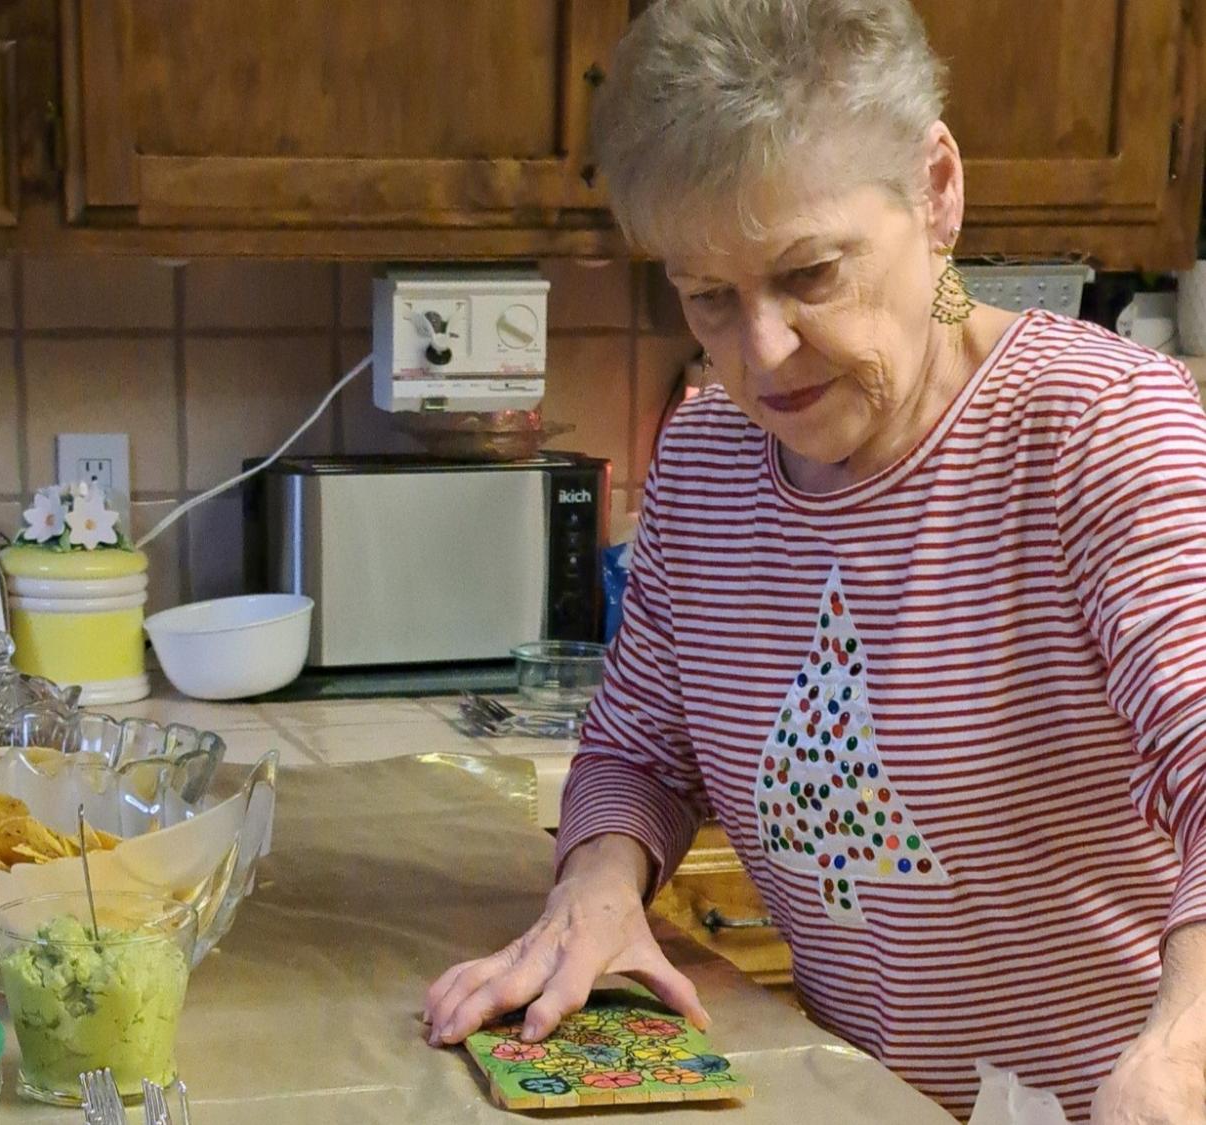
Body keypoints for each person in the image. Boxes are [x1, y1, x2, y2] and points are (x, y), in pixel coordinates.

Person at [422, 2, 1206, 1120]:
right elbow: (641, 750)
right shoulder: (706, 459)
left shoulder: (1100, 431)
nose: (763, 353)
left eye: (810, 274)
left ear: (937, 190)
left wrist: (1181, 1049)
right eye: (708, 297)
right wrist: (596, 885)